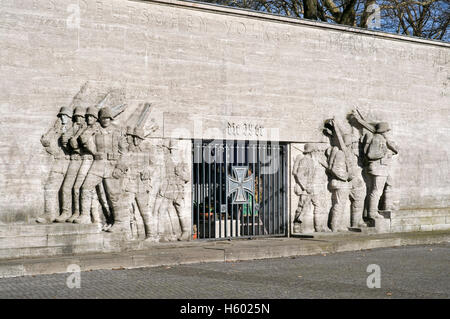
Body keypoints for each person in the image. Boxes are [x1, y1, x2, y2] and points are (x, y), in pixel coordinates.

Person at [78, 107, 128, 231]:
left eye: (107, 118)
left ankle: (119, 223)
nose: (105, 120)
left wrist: (120, 168)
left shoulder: (118, 131)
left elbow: (124, 152)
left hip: (112, 165)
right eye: (103, 118)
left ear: (111, 119)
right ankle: (84, 216)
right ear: (99, 119)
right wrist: (91, 129)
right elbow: (83, 139)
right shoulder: (96, 129)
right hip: (98, 164)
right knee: (86, 187)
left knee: (114, 196)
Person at [351, 111, 399, 219]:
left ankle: (385, 207)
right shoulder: (378, 139)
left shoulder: (382, 139)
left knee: (385, 186)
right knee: (376, 191)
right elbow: (371, 154)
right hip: (378, 168)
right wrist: (383, 153)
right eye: (387, 131)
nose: (388, 132)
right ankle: (372, 213)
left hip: (382, 168)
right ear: (384, 131)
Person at [36, 107, 72, 223]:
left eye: (65, 115)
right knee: (49, 187)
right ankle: (49, 213)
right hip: (58, 161)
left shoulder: (75, 128)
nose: (62, 118)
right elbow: (49, 143)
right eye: (61, 116)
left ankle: (67, 213)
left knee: (67, 189)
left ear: (70, 117)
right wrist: (48, 146)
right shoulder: (57, 129)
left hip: (71, 162)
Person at [55, 106, 87, 222]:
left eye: (81, 116)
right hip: (75, 159)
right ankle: (66, 212)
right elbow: (64, 138)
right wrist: (72, 149)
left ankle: (77, 212)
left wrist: (80, 149)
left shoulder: (89, 128)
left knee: (78, 187)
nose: (78, 119)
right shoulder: (75, 127)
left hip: (86, 160)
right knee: (66, 187)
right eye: (76, 117)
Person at [293, 143, 330, 232]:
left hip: (310, 187)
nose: (316, 152)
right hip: (305, 189)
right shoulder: (305, 160)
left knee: (312, 206)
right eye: (315, 151)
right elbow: (299, 174)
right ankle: (297, 227)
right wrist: (305, 187)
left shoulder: (310, 160)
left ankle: (315, 227)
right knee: (302, 207)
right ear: (311, 152)